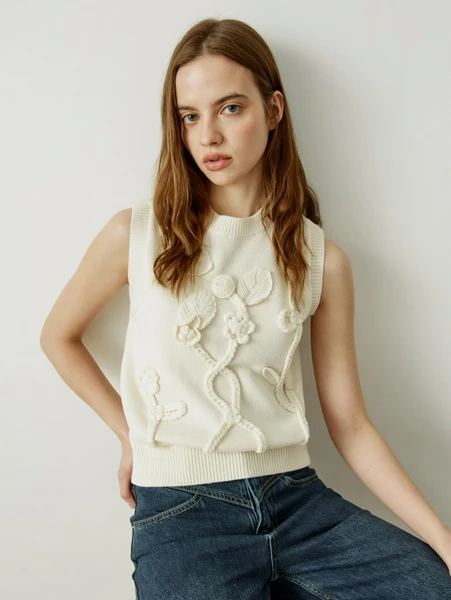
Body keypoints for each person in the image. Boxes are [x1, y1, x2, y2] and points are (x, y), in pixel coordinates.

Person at [40, 16, 451, 600]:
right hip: (182, 516)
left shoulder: (320, 259)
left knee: (430, 586)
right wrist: (129, 434)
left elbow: (352, 426)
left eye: (230, 108)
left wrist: (443, 539)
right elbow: (58, 337)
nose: (208, 135)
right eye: (189, 116)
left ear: (274, 109)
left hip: (298, 502)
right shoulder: (135, 234)